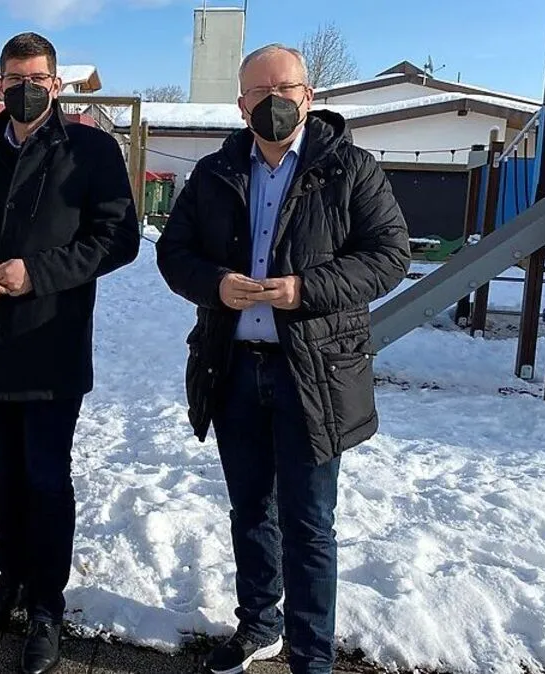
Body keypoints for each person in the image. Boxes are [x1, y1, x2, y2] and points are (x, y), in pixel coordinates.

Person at [155, 44, 410, 674]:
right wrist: (215, 284)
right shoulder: (215, 172)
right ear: (241, 105)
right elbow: (173, 253)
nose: (275, 102)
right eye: (259, 93)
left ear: (309, 96)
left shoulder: (350, 168)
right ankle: (260, 624)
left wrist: (306, 289)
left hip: (313, 374)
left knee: (309, 522)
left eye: (286, 89)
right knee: (250, 511)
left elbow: (389, 256)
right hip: (234, 369)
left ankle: (312, 656)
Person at [0, 31, 140, 674]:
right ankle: (11, 581)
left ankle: (47, 606)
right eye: (13, 79)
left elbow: (119, 238)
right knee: (6, 472)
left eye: (37, 80)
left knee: (48, 478)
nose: (25, 90)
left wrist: (39, 273)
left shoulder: (90, 149)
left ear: (57, 85)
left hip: (51, 340)